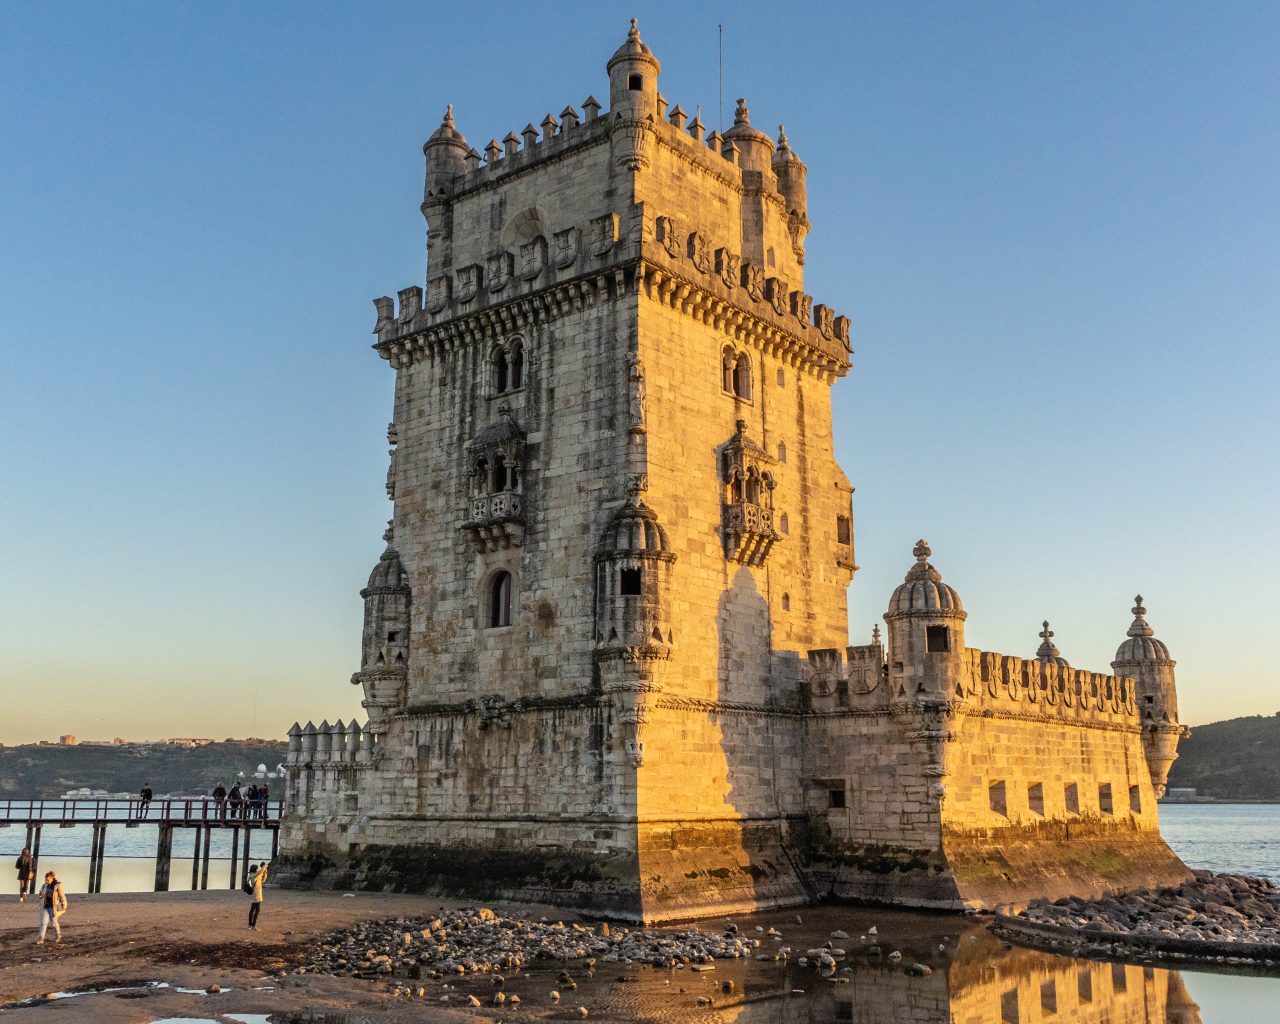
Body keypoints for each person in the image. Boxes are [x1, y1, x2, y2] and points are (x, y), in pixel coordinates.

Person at [36, 871, 67, 944]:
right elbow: (41, 895)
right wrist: (40, 894)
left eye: (48, 880)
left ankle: (58, 935)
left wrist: (64, 906)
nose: (46, 881)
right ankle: (41, 938)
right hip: (46, 906)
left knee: (54, 922)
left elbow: (62, 896)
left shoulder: (57, 886)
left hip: (53, 907)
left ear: (52, 878)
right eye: (45, 880)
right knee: (43, 923)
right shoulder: (44, 885)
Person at [246, 862, 267, 929]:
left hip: (255, 893)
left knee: (252, 909)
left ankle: (250, 925)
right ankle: (253, 925)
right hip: (256, 893)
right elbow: (261, 871)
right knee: (257, 910)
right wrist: (265, 866)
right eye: (257, 868)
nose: (258, 869)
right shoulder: (254, 875)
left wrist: (265, 872)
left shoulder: (252, 875)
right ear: (255, 870)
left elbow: (263, 880)